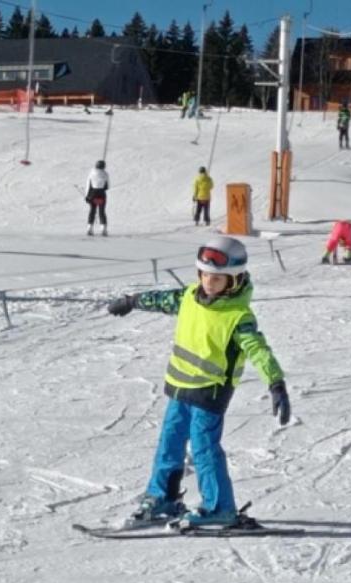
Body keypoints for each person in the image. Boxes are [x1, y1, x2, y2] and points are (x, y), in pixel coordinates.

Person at [105, 236, 289, 529]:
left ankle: (220, 507)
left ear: (235, 280)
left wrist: (276, 383)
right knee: (170, 442)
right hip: (179, 388)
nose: (209, 283)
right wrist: (132, 301)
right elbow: (161, 299)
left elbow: (258, 350)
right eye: (204, 275)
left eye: (217, 279)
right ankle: (163, 497)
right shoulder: (189, 296)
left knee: (204, 448)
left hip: (210, 392)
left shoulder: (238, 317)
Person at [85, 159, 109, 236]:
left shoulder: (91, 173)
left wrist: (87, 196)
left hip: (93, 194)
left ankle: (90, 229)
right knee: (101, 211)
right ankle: (103, 229)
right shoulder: (105, 174)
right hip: (101, 194)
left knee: (92, 211)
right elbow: (107, 186)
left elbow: (88, 185)